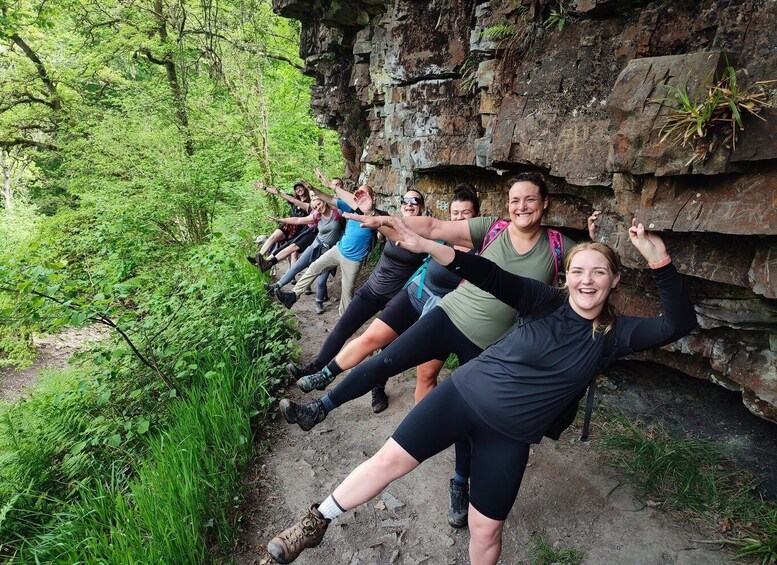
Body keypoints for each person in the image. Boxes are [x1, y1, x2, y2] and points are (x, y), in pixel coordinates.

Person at [264, 217, 697, 565]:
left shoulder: (617, 335)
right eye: (579, 271)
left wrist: (659, 260)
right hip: (461, 397)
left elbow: (676, 325)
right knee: (389, 461)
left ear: (614, 281)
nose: (587, 281)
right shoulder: (542, 300)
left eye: (598, 273)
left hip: (509, 436)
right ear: (566, 278)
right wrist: (431, 247)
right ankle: (313, 523)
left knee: (487, 529)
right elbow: (487, 273)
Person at [279, 172, 579, 527]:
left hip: (490, 345)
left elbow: (591, 276)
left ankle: (459, 484)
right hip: (449, 314)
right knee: (385, 361)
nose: (522, 207)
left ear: (544, 203)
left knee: (470, 420)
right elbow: (435, 228)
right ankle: (318, 409)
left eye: (530, 200)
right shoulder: (493, 228)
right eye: (515, 200)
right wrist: (391, 220)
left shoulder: (561, 247)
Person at [288, 184, 481, 410]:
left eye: (465, 214)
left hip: (432, 309)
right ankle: (320, 373)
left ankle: (383, 395)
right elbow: (392, 227)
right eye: (455, 213)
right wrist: (371, 214)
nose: (458, 219)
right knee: (357, 334)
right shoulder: (436, 232)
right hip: (388, 294)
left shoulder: (474, 245)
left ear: (476, 215)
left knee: (406, 365)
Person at [278, 188, 428, 390]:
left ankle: (378, 389)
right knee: (343, 327)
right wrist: (333, 188)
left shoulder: (428, 234)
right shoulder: (389, 220)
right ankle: (315, 368)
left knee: (384, 348)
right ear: (401, 205)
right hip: (372, 290)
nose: (410, 204)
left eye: (415, 201)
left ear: (423, 207)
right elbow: (362, 206)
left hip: (396, 299)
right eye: (406, 201)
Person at [273, 172, 380, 315]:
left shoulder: (379, 217)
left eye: (365, 194)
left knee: (347, 292)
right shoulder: (352, 208)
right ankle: (293, 295)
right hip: (338, 250)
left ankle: (345, 321)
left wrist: (379, 236)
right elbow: (329, 198)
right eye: (359, 194)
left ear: (373, 198)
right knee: (314, 267)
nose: (361, 197)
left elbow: (386, 232)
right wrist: (314, 190)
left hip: (354, 259)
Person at [265, 195, 345, 314]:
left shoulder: (338, 213)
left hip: (330, 252)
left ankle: (318, 302)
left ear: (323, 201)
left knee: (321, 280)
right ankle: (276, 287)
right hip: (315, 246)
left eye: (319, 204)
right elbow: (298, 220)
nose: (318, 207)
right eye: (315, 207)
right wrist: (280, 220)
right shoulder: (317, 216)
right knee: (296, 267)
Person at [250, 181, 313, 270]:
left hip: (300, 228)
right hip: (289, 224)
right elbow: (280, 194)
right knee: (273, 237)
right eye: (296, 189)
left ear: (304, 188)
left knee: (292, 252)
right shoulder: (294, 200)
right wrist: (264, 187)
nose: (298, 190)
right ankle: (259, 257)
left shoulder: (311, 201)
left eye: (300, 187)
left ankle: (292, 274)